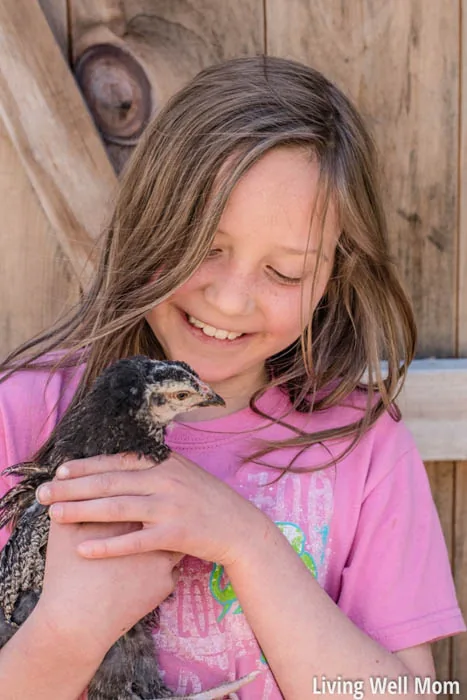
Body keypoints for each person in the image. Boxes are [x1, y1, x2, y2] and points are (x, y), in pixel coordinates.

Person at [0, 55, 464, 700]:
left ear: (334, 277)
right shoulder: (23, 417)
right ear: (149, 222)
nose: (230, 300)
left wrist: (251, 545)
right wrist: (71, 627)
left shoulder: (365, 447)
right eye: (206, 247)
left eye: (285, 273)